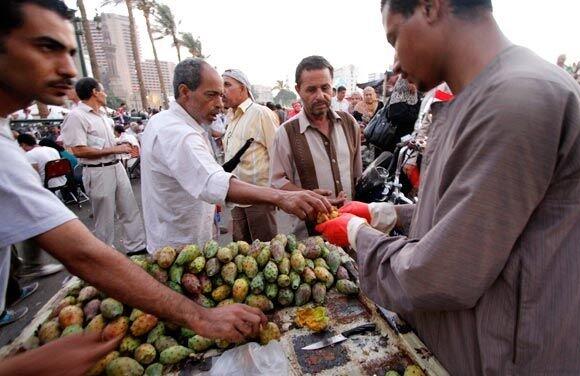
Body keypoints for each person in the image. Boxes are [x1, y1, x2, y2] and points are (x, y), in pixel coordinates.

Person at [316, 0, 580, 374]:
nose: (395, 65)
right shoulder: (488, 95)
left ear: (430, 7)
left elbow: (441, 272)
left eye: (394, 38)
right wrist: (382, 213)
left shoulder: (517, 99)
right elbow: (471, 215)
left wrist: (358, 234)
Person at [0, 1, 267, 374]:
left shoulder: (177, 124)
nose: (68, 69)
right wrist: (201, 318)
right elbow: (85, 254)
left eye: (70, 52)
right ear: (186, 93)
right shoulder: (174, 129)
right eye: (47, 47)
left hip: (177, 238)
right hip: (170, 237)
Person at [140, 58, 332, 253]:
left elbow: (275, 155)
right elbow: (212, 180)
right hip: (177, 252)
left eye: (221, 94)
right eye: (211, 95)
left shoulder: (170, 123)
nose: (220, 104)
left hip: (197, 236)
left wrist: (286, 192)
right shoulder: (176, 133)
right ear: (184, 92)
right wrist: (282, 197)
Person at [271, 56, 362, 238]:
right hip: (309, 241)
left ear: (332, 86)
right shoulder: (286, 133)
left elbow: (356, 175)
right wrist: (308, 197)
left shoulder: (349, 124)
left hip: (351, 231)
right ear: (298, 90)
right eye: (311, 89)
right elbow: (277, 184)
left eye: (325, 88)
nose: (320, 96)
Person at [61, 77, 147, 255]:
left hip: (116, 166)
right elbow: (78, 150)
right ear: (94, 92)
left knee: (129, 208)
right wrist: (115, 148)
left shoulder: (103, 116)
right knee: (104, 216)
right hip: (97, 171)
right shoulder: (76, 116)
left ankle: (136, 247)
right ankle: (105, 253)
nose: (105, 94)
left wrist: (119, 144)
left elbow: (100, 144)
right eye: (102, 90)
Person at [222, 69, 280, 243]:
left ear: (243, 88)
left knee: (265, 251)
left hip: (259, 199)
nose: (221, 90)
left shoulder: (260, 113)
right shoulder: (231, 117)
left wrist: (277, 195)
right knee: (242, 254)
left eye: (227, 85)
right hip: (236, 199)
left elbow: (278, 154)